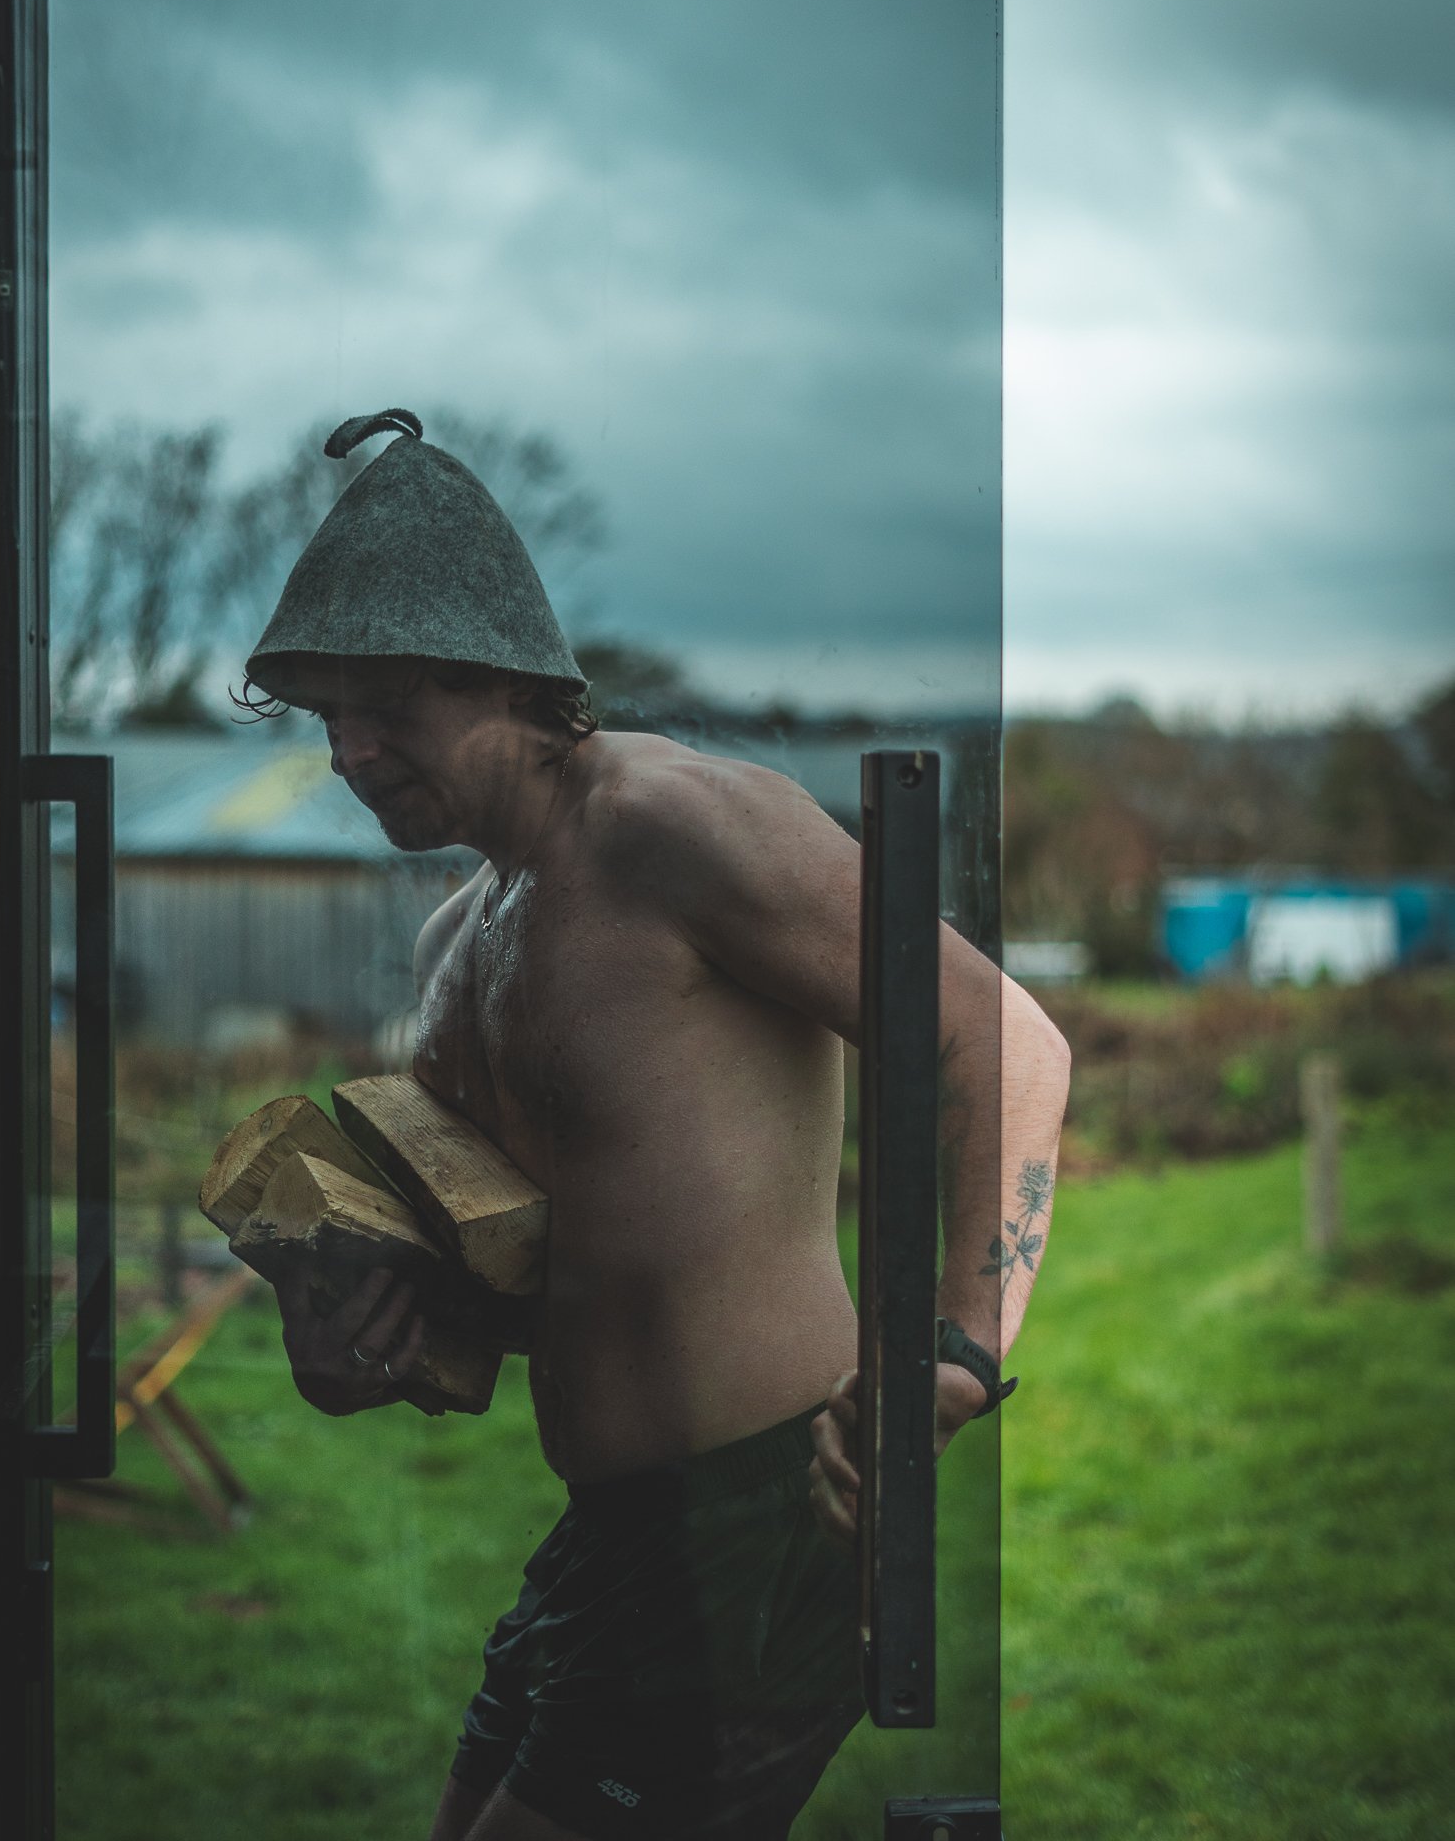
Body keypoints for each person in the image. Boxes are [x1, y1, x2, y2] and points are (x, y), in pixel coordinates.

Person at [237, 410, 1072, 1841]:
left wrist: (952, 1353)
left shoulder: (677, 823)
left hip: (765, 1513)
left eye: (383, 707)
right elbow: (549, 1279)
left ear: (503, 677)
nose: (350, 753)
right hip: (605, 1539)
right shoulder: (454, 944)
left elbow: (1003, 1041)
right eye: (325, 715)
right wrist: (365, 1342)